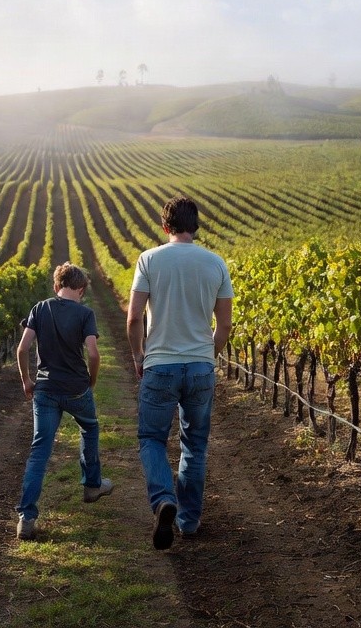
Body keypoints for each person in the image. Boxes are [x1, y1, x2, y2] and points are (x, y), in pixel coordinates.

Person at [127, 195, 233, 550]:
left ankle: (163, 500)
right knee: (195, 445)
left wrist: (139, 355)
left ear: (165, 226)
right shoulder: (216, 263)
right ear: (196, 226)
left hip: (160, 365)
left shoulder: (149, 259)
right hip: (200, 366)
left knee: (152, 439)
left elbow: (134, 317)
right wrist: (207, 355)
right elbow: (224, 326)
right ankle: (188, 521)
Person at [14, 262, 114, 541]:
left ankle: (27, 517)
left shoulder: (39, 308)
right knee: (90, 428)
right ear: (81, 289)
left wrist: (26, 380)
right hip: (76, 389)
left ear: (57, 286)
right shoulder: (85, 313)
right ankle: (92, 485)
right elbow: (93, 354)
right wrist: (91, 381)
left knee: (40, 450)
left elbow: (22, 348)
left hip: (45, 389)